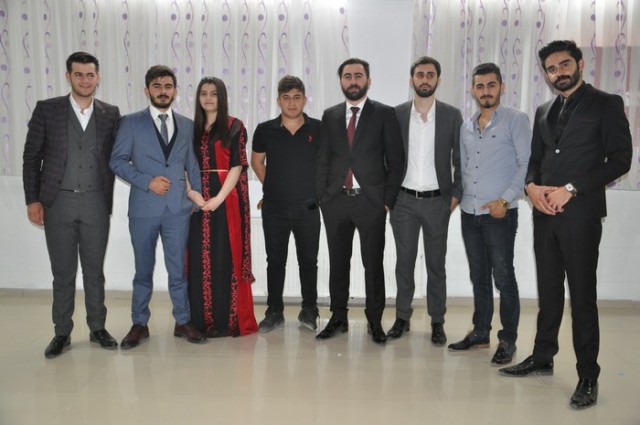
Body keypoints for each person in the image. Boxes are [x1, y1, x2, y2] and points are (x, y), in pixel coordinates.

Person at [499, 40, 632, 409]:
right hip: (544, 214)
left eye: (564, 65)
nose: (559, 72)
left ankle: (588, 375)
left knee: (582, 298)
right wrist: (530, 187)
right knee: (549, 293)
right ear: (546, 74)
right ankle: (543, 357)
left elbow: (621, 159)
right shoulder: (544, 110)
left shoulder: (606, 103)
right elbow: (535, 161)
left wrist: (572, 188)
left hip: (581, 214)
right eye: (552, 68)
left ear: (580, 64)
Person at [22, 52, 121, 359]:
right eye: (78, 74)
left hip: (95, 202)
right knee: (63, 272)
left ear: (98, 77)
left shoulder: (110, 113)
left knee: (94, 271)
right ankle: (62, 332)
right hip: (58, 202)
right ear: (68, 76)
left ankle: (97, 327)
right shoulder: (47, 109)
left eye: (90, 75)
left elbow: (119, 155)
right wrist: (32, 199)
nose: (85, 80)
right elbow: (31, 157)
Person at [110, 65, 207, 349]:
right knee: (143, 270)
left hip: (178, 210)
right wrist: (147, 182)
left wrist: (197, 199)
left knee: (178, 270)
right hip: (143, 209)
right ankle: (139, 323)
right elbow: (117, 161)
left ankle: (183, 320)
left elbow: (192, 164)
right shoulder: (131, 123)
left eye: (167, 86)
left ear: (175, 91)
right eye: (157, 86)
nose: (163, 91)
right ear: (147, 90)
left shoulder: (187, 125)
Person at [315, 58, 404, 345]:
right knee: (338, 263)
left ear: (368, 80)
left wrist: (386, 201)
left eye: (358, 76)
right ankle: (338, 317)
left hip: (371, 203)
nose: (353, 81)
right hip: (336, 202)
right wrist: (323, 197)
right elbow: (323, 159)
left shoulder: (384, 114)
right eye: (347, 76)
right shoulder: (330, 115)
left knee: (373, 264)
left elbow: (396, 161)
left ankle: (374, 321)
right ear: (341, 81)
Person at [447, 63, 531, 366]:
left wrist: (505, 200)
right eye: (480, 86)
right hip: (470, 213)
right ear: (472, 90)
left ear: (501, 87)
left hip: (500, 214)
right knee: (478, 276)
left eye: (491, 85)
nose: (486, 91)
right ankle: (481, 332)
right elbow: (463, 167)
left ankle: (507, 340)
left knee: (504, 277)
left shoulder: (516, 120)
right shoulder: (466, 126)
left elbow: (526, 164)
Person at [388, 56, 463, 345]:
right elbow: (386, 157)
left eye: (430, 75)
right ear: (412, 80)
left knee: (436, 264)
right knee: (404, 263)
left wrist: (455, 195)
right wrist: (389, 196)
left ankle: (437, 321)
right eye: (420, 74)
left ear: (438, 80)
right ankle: (402, 317)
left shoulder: (451, 115)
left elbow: (461, 159)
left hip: (437, 202)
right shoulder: (396, 114)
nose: (425, 79)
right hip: (404, 202)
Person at [187, 77, 258, 337]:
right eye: (203, 93)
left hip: (227, 199)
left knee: (224, 257)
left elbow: (237, 165)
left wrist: (218, 198)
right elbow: (183, 164)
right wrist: (190, 192)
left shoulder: (234, 125)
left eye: (213, 93)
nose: (208, 98)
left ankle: (226, 322)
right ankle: (199, 321)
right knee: (198, 258)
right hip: (196, 200)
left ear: (222, 97)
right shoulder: (190, 128)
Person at [251, 76, 322, 332]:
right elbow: (257, 162)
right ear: (278, 100)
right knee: (275, 261)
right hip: (274, 208)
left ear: (304, 99)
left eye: (296, 97)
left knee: (308, 261)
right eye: (286, 98)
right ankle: (274, 311)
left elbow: (327, 165)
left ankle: (310, 310)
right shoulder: (265, 129)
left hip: (308, 208)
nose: (292, 103)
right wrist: (273, 185)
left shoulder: (319, 129)